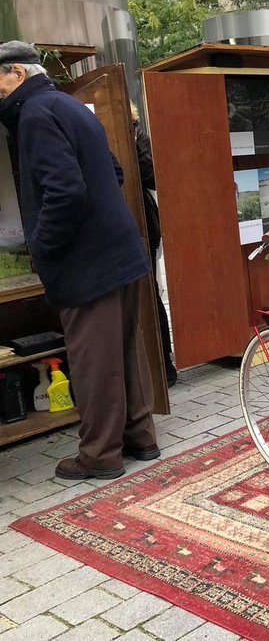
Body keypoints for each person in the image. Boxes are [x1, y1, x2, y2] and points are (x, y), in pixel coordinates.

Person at [0, 40, 159, 479]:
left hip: (85, 260)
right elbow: (115, 171)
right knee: (125, 352)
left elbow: (65, 190)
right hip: (119, 250)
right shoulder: (69, 107)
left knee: (93, 360)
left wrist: (42, 244)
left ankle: (99, 455)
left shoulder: (33, 115)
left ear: (16, 74)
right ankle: (140, 437)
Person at [131, 101, 178, 387]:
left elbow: (152, 175)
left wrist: (136, 140)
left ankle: (165, 364)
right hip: (124, 223)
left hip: (144, 224)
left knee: (150, 291)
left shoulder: (139, 135)